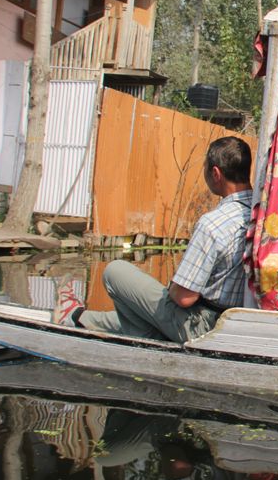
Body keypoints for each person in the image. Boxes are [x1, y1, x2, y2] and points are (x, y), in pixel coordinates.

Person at [55, 136, 254, 342]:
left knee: (115, 271)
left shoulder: (213, 224)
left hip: (202, 328)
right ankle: (78, 318)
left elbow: (184, 298)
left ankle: (86, 319)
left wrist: (172, 288)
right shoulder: (262, 217)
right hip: (233, 323)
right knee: (145, 307)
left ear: (215, 173)